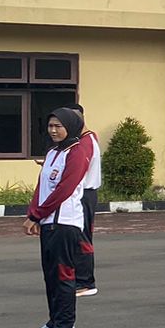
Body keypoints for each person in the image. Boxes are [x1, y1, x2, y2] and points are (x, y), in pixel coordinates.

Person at [22, 106, 93, 328]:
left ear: (70, 127)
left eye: (58, 126)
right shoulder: (53, 152)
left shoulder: (77, 152)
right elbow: (42, 187)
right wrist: (33, 214)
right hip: (48, 223)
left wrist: (38, 215)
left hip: (65, 224)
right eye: (50, 126)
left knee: (63, 277)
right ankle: (54, 322)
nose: (53, 130)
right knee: (51, 276)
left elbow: (64, 189)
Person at [68, 102, 101, 297]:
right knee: (77, 236)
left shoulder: (85, 142)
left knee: (82, 237)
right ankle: (79, 280)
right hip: (86, 193)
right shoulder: (88, 137)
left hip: (84, 194)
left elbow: (78, 170)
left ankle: (85, 283)